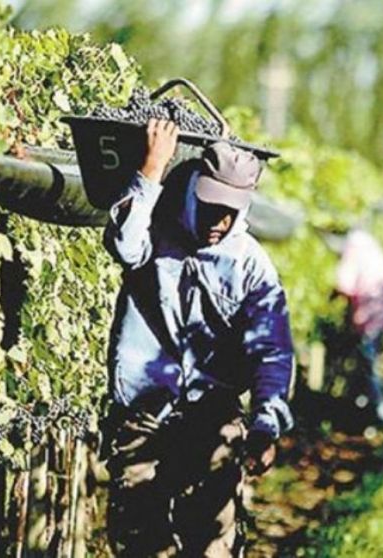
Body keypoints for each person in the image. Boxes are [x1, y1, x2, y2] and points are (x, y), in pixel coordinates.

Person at [99, 118, 295, 556]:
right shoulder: (155, 229)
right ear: (192, 191)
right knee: (139, 537)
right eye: (210, 206)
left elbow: (272, 350)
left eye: (230, 212)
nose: (219, 221)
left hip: (213, 412)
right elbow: (124, 245)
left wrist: (266, 422)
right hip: (144, 409)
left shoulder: (250, 265)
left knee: (211, 537)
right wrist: (151, 169)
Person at [332, 225, 383, 427]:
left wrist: (333, 298)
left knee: (367, 365)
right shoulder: (376, 254)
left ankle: (380, 409)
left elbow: (344, 284)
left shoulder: (353, 250)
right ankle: (364, 406)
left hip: (366, 319)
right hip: (381, 318)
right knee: (371, 361)